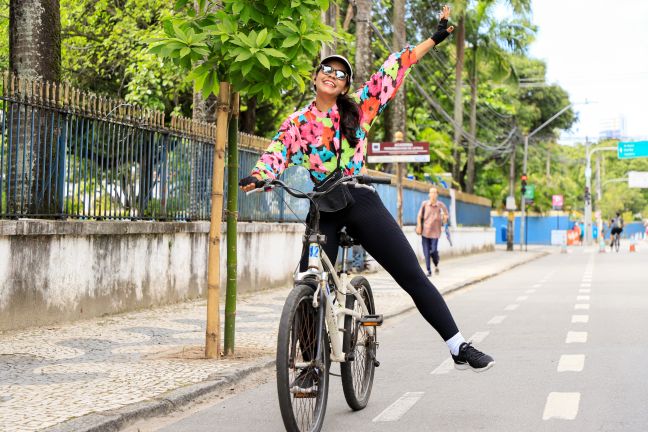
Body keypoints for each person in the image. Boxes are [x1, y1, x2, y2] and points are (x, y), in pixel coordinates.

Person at [240, 5, 494, 372]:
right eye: (326, 70)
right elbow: (275, 154)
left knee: (411, 274)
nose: (332, 75)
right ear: (315, 77)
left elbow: (396, 66)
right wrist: (259, 175)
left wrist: (435, 37)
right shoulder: (297, 122)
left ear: (345, 84)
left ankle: (457, 346)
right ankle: (311, 366)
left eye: (340, 73)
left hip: (358, 197)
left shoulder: (358, 108)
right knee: (307, 279)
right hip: (321, 204)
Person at [416, 187, 448, 276]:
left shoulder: (441, 206)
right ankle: (428, 270)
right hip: (425, 232)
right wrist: (419, 225)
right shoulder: (424, 204)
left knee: (433, 251)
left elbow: (446, 219)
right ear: (429, 194)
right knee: (426, 252)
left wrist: (444, 218)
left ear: (437, 194)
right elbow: (419, 216)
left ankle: (436, 263)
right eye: (431, 192)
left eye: (434, 193)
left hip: (436, 233)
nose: (433, 194)